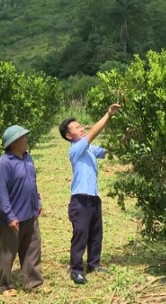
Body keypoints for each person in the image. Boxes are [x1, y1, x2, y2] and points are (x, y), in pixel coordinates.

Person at [59, 103, 121, 284]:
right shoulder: (76, 149)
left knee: (96, 233)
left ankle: (93, 264)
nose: (82, 129)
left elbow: (109, 150)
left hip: (93, 198)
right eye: (77, 128)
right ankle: (76, 270)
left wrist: (127, 137)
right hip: (80, 200)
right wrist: (108, 114)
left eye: (81, 126)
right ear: (69, 136)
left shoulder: (90, 149)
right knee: (80, 235)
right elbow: (94, 132)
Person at [0, 125, 44, 296]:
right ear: (14, 142)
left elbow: (33, 182)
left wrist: (37, 201)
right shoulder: (3, 164)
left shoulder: (28, 158)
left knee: (32, 248)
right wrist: (9, 215)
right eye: (23, 138)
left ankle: (33, 283)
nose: (26, 140)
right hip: (13, 217)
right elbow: (2, 194)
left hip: (30, 213)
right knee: (8, 252)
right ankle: (5, 286)